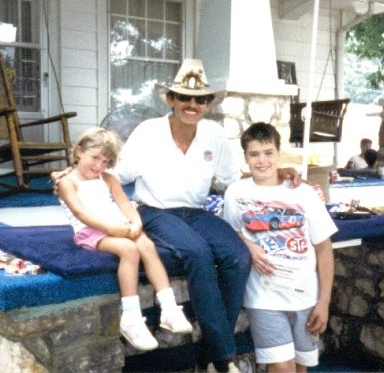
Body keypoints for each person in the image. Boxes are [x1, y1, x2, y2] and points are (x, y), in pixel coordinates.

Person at [53, 59, 300, 373]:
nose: (192, 104)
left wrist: (277, 173)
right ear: (170, 100)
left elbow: (232, 179)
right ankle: (224, 359)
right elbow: (113, 172)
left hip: (195, 212)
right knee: (196, 253)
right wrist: (71, 173)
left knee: (238, 256)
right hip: (156, 212)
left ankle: (209, 355)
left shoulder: (213, 134)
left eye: (200, 99)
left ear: (209, 104)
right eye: (183, 97)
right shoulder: (148, 131)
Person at [57, 127, 192, 352]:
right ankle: (130, 318)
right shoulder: (67, 182)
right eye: (95, 158)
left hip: (118, 225)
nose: (99, 166)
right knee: (129, 250)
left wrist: (135, 223)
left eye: (105, 162)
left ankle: (169, 308)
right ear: (79, 152)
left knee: (147, 245)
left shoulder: (108, 178)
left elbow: (126, 204)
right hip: (91, 231)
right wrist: (112, 229)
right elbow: (82, 214)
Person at [223, 122, 337, 373]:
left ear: (278, 153)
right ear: (245, 157)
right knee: (281, 367)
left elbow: (324, 249)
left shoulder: (303, 192)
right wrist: (248, 246)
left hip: (305, 296)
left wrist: (324, 302)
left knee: (300, 366)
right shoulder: (235, 192)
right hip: (263, 297)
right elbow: (229, 233)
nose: (261, 161)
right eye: (254, 154)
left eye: (268, 153)